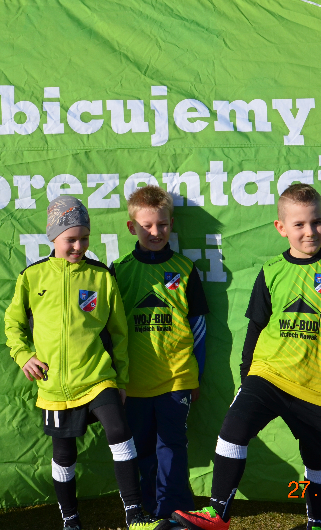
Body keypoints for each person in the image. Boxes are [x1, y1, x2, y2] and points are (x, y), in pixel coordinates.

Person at [172, 184, 321, 530]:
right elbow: (255, 328)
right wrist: (247, 376)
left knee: (317, 459)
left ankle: (317, 522)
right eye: (299, 224)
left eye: (316, 222)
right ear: (281, 228)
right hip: (268, 375)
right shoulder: (271, 270)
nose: (309, 231)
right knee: (232, 430)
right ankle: (218, 514)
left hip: (317, 385)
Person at [4, 196, 166, 530]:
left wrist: (121, 380)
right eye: (71, 240)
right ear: (53, 237)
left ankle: (135, 515)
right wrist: (23, 355)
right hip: (54, 386)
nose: (79, 246)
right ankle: (71, 519)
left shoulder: (101, 277)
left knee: (119, 430)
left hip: (98, 377)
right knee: (64, 455)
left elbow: (119, 332)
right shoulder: (32, 277)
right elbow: (13, 324)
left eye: (85, 238)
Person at [110, 185, 209, 520]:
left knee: (172, 445)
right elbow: (109, 328)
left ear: (171, 224)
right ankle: (149, 507)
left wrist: (196, 375)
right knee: (141, 447)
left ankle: (175, 510)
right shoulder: (119, 271)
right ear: (131, 227)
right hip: (133, 382)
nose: (156, 232)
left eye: (162, 224)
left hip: (176, 378)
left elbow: (198, 325)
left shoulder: (185, 269)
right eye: (147, 225)